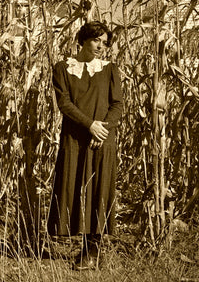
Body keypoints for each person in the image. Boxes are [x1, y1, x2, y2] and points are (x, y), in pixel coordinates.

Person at [47, 20, 123, 270]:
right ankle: (79, 244)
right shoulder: (62, 68)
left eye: (105, 42)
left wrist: (102, 129)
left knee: (99, 189)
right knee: (74, 186)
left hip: (102, 139)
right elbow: (65, 104)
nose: (101, 47)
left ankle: (92, 251)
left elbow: (117, 105)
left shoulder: (111, 69)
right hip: (75, 138)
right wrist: (90, 124)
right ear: (83, 39)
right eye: (96, 40)